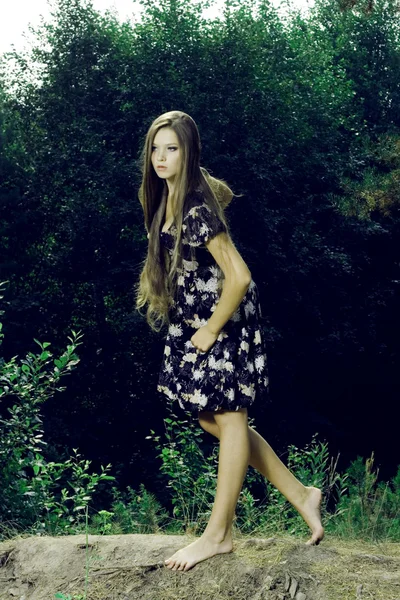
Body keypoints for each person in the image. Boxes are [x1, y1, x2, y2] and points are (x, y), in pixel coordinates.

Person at [135, 110, 324, 573]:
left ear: (189, 151)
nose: (161, 157)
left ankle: (218, 535)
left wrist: (212, 327)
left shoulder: (197, 209)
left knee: (230, 416)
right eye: (156, 148)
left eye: (172, 148)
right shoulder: (167, 199)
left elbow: (239, 276)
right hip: (200, 318)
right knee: (210, 419)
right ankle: (301, 493)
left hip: (223, 318)